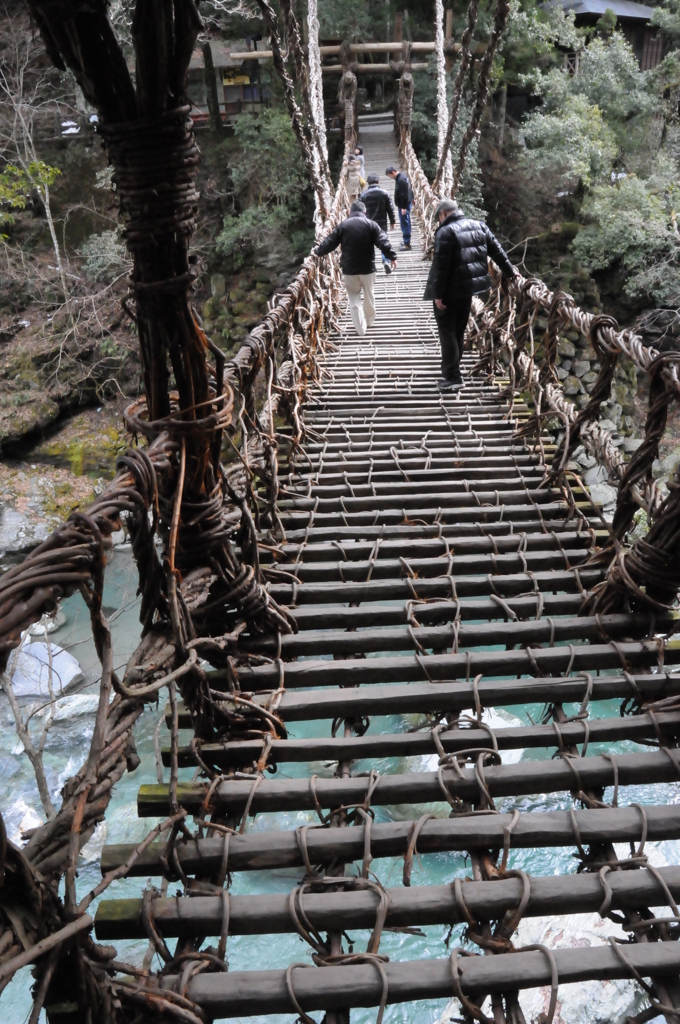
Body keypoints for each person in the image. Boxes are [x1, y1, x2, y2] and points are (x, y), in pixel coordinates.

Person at [423, 198, 516, 391]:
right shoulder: (479, 226)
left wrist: (437, 295)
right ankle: (454, 371)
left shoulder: (445, 231)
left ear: (443, 214)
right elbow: (497, 251)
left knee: (447, 332)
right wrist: (511, 272)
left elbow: (440, 267)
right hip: (469, 290)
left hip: (448, 291)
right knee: (458, 330)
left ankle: (453, 376)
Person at [315, 200, 397, 337]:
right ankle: (370, 321)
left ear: (350, 212)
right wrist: (392, 257)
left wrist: (317, 252)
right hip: (368, 269)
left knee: (354, 299)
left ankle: (361, 329)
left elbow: (330, 242)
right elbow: (383, 241)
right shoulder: (372, 225)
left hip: (350, 269)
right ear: (364, 212)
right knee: (369, 295)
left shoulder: (343, 226)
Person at [360, 173, 397, 275]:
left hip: (367, 224)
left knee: (369, 244)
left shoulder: (363, 195)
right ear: (378, 182)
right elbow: (390, 209)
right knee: (383, 241)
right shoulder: (385, 193)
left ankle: (371, 265)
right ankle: (385, 261)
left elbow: (359, 210)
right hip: (382, 223)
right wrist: (392, 221)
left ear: (368, 183)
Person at [386, 166, 413, 250]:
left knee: (404, 223)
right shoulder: (403, 177)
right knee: (406, 222)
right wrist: (412, 198)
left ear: (393, 172)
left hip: (403, 205)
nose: (390, 177)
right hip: (406, 203)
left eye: (389, 175)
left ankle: (407, 244)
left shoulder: (401, 180)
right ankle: (407, 241)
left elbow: (404, 194)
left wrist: (404, 207)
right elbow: (410, 189)